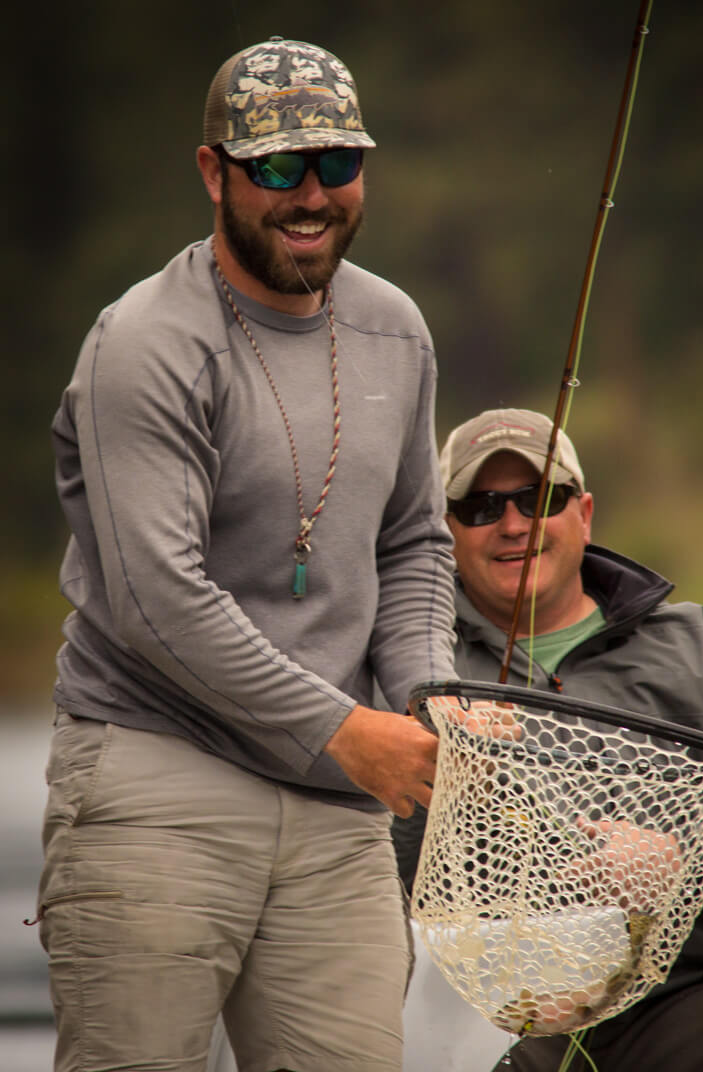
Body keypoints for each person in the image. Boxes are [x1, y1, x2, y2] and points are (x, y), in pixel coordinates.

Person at [36, 36, 457, 1072]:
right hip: (154, 785)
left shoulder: (397, 331)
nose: (309, 195)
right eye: (275, 168)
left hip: (337, 815)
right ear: (212, 171)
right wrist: (345, 728)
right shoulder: (144, 344)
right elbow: (154, 600)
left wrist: (426, 693)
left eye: (336, 163)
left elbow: (411, 543)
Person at [392, 408, 703, 1071]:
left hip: (687, 1003)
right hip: (481, 1018)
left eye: (539, 498)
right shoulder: (411, 664)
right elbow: (363, 844)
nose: (513, 523)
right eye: (481, 506)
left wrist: (684, 858)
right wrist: (443, 774)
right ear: (446, 531)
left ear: (585, 513)